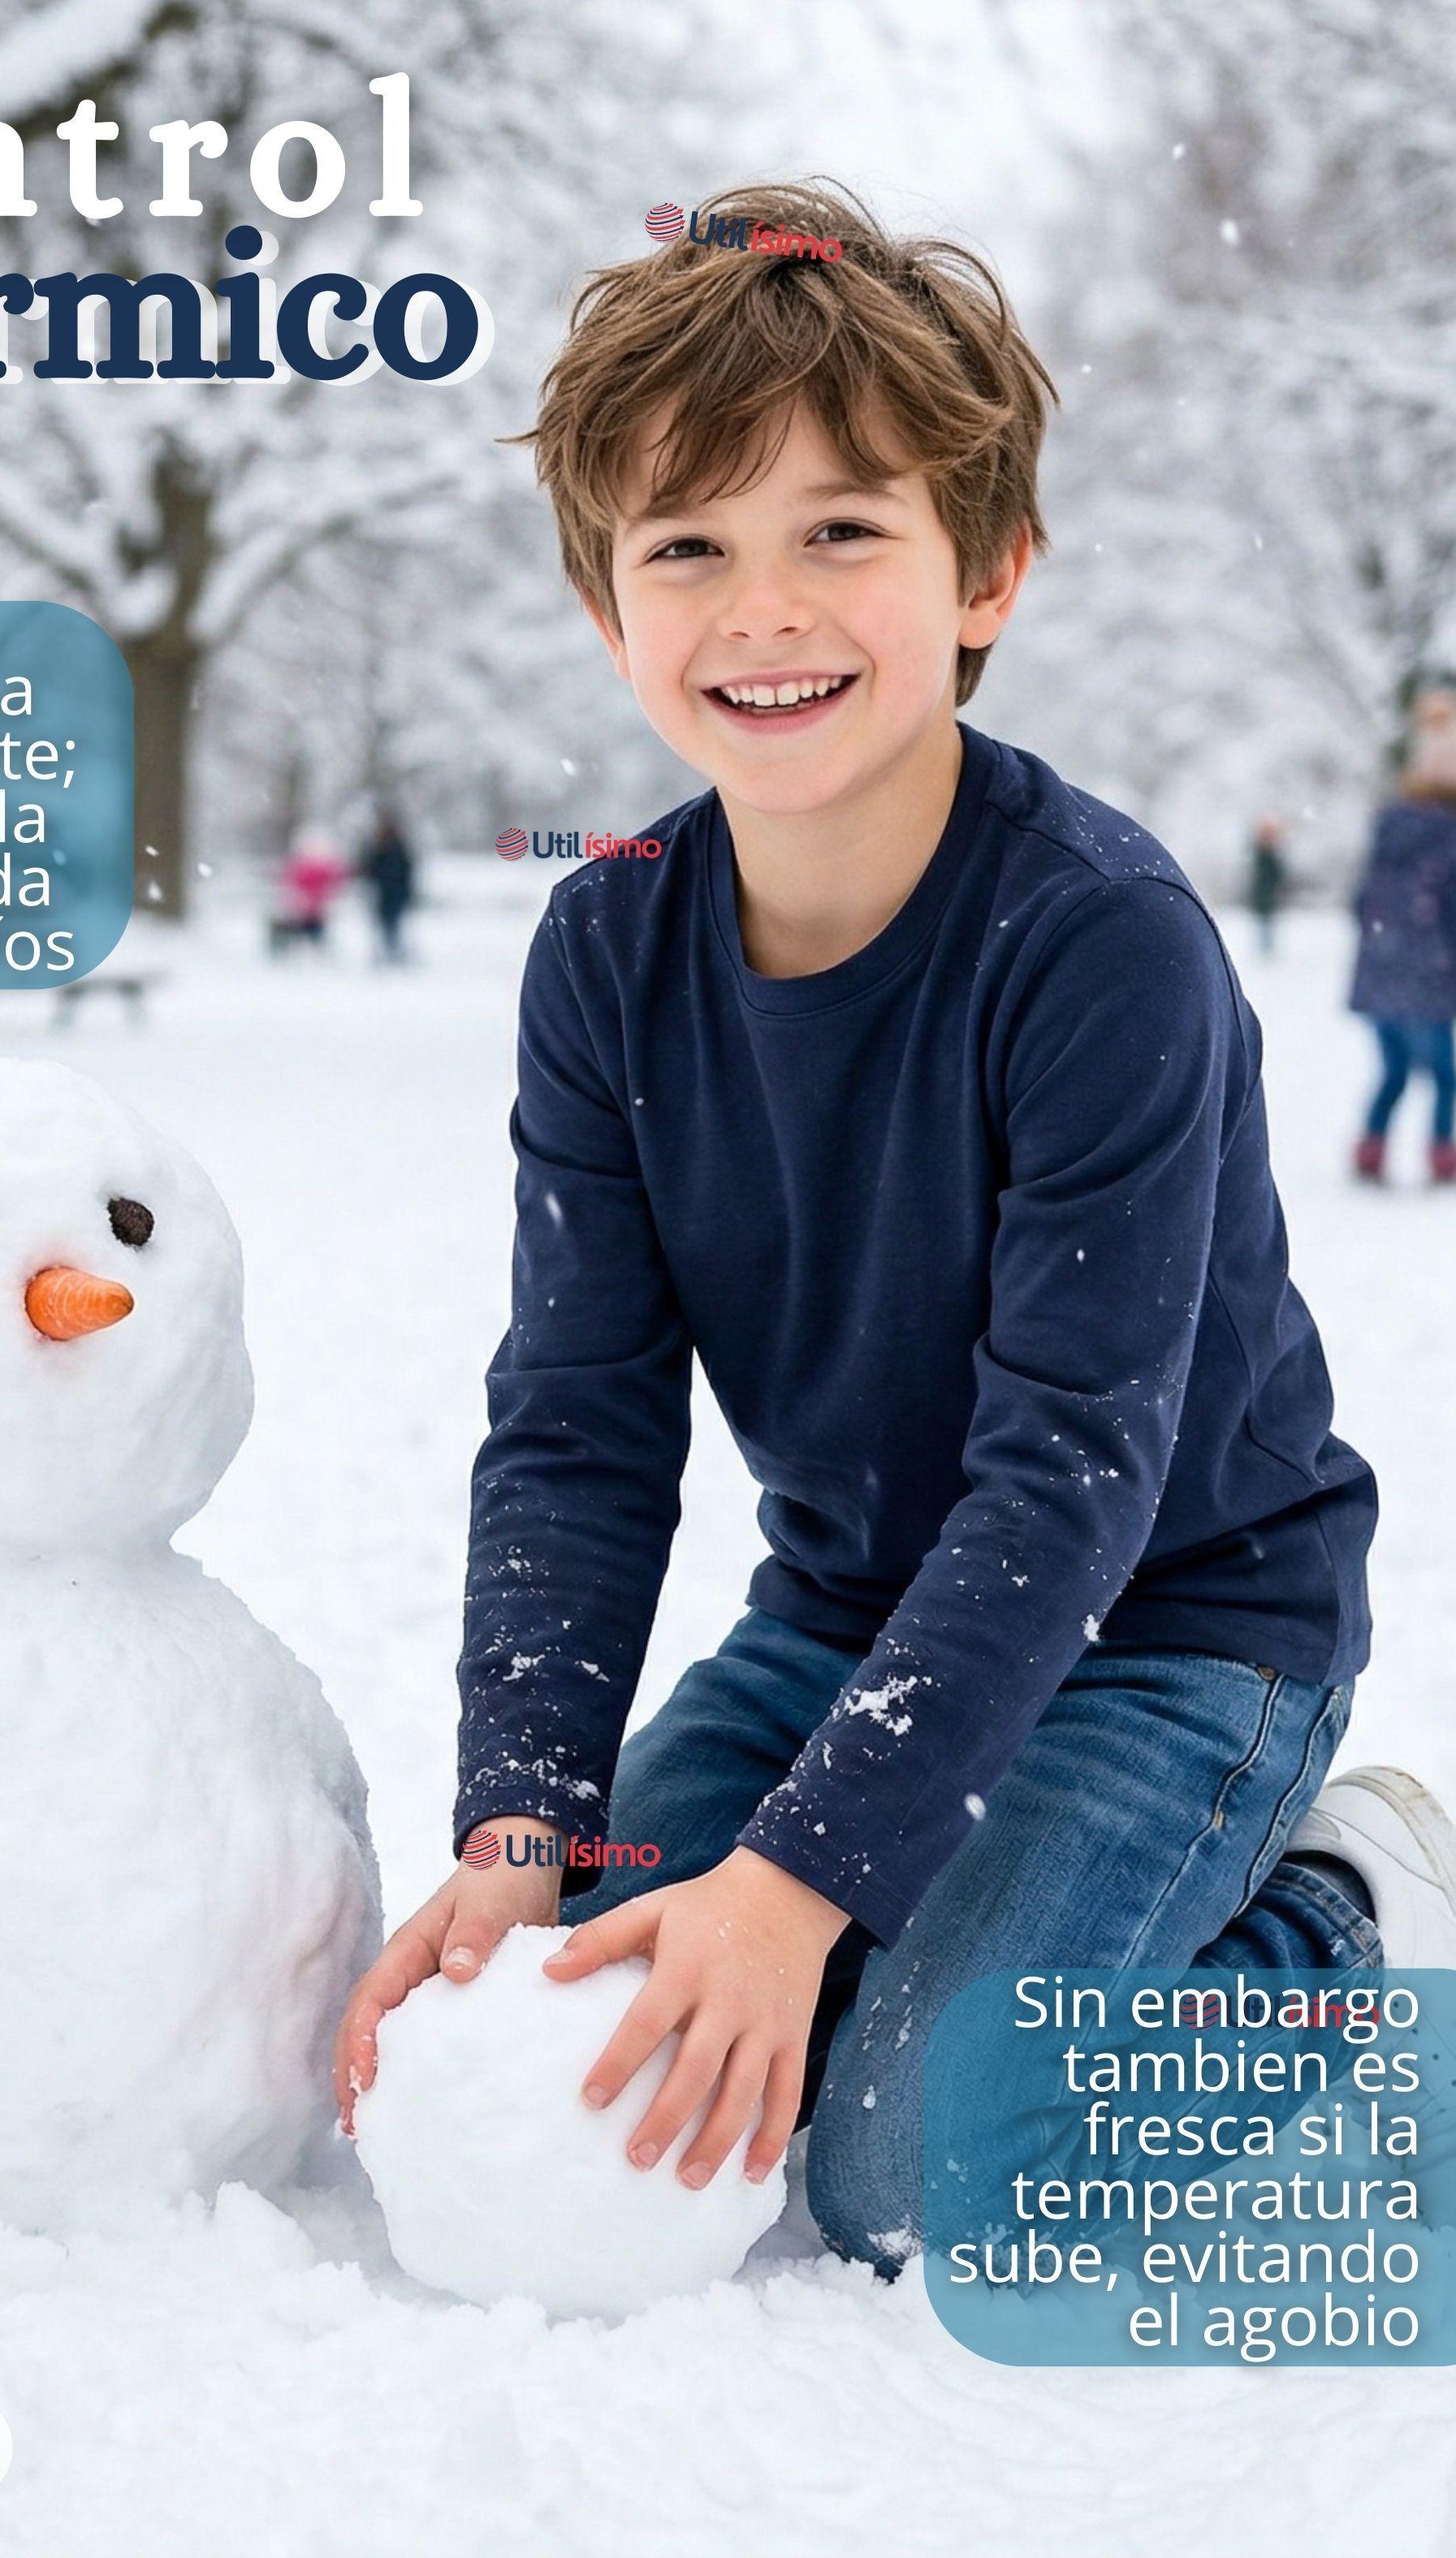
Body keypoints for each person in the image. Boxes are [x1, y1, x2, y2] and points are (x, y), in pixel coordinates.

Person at [334, 181, 1456, 2275]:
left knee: (914, 2161)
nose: (763, 609)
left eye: (840, 531)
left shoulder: (1097, 941)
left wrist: (797, 1886)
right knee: (588, 2001)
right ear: (605, 606)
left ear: (986, 569)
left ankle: (1340, 1906)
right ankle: (924, 1898)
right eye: (687, 547)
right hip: (845, 1626)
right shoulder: (606, 950)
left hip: (1179, 1630)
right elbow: (577, 1421)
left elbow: (1072, 1474)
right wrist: (521, 1824)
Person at [1350, 689, 1456, 1185]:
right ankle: (1442, 1155)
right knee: (1444, 1076)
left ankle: (1371, 1151)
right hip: (1429, 974)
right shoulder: (1448, 835)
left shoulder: (1390, 827)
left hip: (1381, 968)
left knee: (1393, 1071)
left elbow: (1360, 902)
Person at [266, 827, 351, 956]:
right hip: (302, 907)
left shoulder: (322, 867)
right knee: (306, 931)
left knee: (313, 932)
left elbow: (333, 884)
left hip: (313, 908)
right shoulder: (300, 865)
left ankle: (313, 951)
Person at [358, 809, 418, 963]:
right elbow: (370, 869)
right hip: (382, 893)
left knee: (393, 923)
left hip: (395, 893)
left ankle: (394, 949)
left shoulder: (399, 849)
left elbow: (407, 871)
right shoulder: (378, 849)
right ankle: (388, 950)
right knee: (384, 923)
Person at [1246, 812, 1289, 954]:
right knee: (1264, 923)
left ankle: (1266, 948)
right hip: (1264, 894)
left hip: (1267, 894)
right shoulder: (1263, 855)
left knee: (1267, 923)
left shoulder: (1266, 854)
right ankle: (1265, 949)